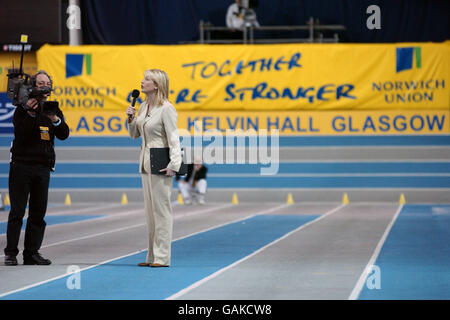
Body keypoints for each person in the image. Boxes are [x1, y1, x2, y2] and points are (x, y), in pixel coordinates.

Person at [4, 70, 70, 266]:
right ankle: (10, 253)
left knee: (38, 213)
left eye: (47, 83)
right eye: (40, 83)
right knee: (17, 211)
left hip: (43, 168)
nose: (44, 86)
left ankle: (31, 253)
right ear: (33, 86)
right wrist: (30, 113)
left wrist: (55, 120)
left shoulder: (52, 109)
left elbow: (64, 134)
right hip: (21, 166)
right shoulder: (22, 109)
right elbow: (22, 134)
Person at [126, 69, 182, 268]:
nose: (142, 81)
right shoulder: (142, 106)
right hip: (145, 162)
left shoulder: (166, 108)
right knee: (150, 213)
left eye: (147, 79)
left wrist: (174, 164)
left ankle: (162, 257)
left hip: (161, 162)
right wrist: (131, 119)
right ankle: (151, 256)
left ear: (157, 84)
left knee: (161, 211)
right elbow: (134, 135)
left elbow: (174, 138)